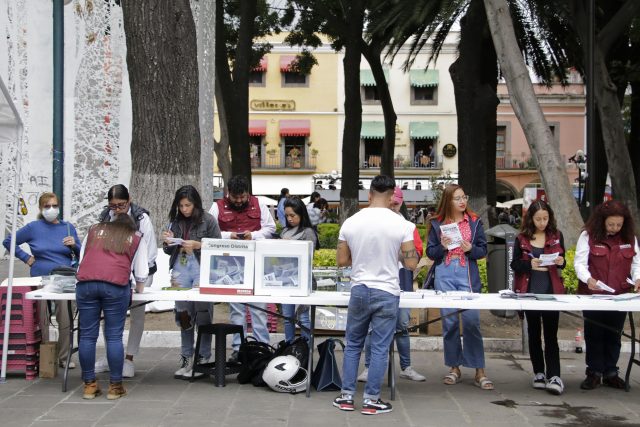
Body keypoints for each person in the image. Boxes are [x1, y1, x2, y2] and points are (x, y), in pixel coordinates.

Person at [333, 175, 418, 415]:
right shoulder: (402, 225)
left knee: (353, 345)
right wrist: (398, 256)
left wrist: (360, 257)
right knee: (380, 347)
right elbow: (411, 263)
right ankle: (371, 401)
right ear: (392, 197)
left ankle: (346, 397)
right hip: (387, 291)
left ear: (369, 195)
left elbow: (341, 261)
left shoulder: (350, 222)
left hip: (359, 289)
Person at [2, 192, 81, 369]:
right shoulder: (33, 227)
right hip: (40, 277)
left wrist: (74, 245)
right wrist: (26, 258)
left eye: (54, 205)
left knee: (65, 317)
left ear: (59, 207)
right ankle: (44, 356)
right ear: (40, 208)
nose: (51, 209)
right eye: (47, 206)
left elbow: (82, 251)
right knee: (41, 318)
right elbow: (8, 241)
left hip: (64, 278)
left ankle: (63, 357)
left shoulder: (68, 227)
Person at [426, 184, 493, 390]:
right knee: (450, 323)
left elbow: (483, 250)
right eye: (457, 198)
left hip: (466, 273)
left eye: (464, 197)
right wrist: (443, 247)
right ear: (448, 201)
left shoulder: (474, 221)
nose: (463, 201)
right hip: (445, 273)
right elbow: (430, 252)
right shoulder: (437, 223)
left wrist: (471, 248)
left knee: (472, 322)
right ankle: (454, 367)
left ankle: (479, 370)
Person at [75, 214, 148, 400]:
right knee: (114, 335)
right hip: (115, 286)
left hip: (86, 285)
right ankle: (115, 387)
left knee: (87, 335)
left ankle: (89, 385)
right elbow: (141, 273)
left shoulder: (94, 231)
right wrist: (139, 288)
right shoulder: (136, 237)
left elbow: (82, 259)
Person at [358, 187, 426, 383]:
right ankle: (369, 367)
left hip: (401, 280)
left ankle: (406, 366)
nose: (394, 206)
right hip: (378, 281)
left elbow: (418, 252)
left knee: (402, 325)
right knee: (373, 328)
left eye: (397, 203)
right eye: (391, 202)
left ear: (402, 203)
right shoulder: (373, 224)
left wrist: (407, 254)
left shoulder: (408, 226)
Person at [573, 200, 640, 390]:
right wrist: (588, 279)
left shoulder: (629, 238)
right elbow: (579, 263)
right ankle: (594, 372)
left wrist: (637, 278)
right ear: (602, 221)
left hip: (620, 295)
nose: (615, 228)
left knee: (614, 334)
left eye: (619, 225)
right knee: (594, 333)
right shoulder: (588, 236)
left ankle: (611, 372)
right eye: (611, 224)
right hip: (593, 294)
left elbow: (636, 264)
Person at [209, 175, 276, 362]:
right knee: (236, 309)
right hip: (230, 266)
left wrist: (253, 235)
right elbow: (209, 231)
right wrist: (227, 235)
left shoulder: (259, 204)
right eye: (235, 197)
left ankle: (263, 348)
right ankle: (238, 349)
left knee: (259, 308)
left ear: (248, 193)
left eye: (243, 197)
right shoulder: (217, 207)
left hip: (255, 262)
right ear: (228, 194)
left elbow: (270, 228)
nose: (239, 201)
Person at [94, 184, 157, 378]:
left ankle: (129, 358)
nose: (117, 209)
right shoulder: (106, 217)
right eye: (113, 206)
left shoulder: (141, 218)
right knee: (108, 315)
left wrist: (137, 275)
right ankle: (112, 356)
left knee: (137, 314)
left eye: (121, 205)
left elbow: (150, 251)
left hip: (139, 273)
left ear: (129, 200)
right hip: (113, 273)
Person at [163, 185, 221, 380]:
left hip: (202, 273)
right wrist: (168, 242)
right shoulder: (175, 222)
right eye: (181, 206)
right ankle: (187, 358)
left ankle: (203, 358)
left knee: (203, 316)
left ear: (195, 203)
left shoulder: (208, 220)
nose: (184, 209)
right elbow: (168, 251)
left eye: (187, 205)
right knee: (184, 317)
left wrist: (199, 245)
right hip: (180, 273)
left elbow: (219, 247)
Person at [510, 200, 566, 395]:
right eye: (538, 219)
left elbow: (563, 263)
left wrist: (561, 261)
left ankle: (555, 375)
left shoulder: (556, 236)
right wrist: (529, 265)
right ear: (531, 219)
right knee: (534, 333)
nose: (542, 223)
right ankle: (539, 373)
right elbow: (515, 264)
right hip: (530, 292)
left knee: (551, 335)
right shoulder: (522, 238)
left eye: (545, 218)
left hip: (550, 293)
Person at [280, 197, 317, 343]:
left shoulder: (308, 232)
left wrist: (290, 246)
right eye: (286, 215)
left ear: (301, 214)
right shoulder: (284, 232)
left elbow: (309, 257)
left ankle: (305, 351)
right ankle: (288, 347)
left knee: (303, 317)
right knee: (287, 317)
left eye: (292, 215)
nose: (289, 219)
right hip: (285, 280)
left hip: (303, 280)